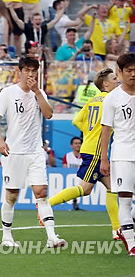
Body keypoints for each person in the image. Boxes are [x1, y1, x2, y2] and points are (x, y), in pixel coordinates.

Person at [0, 56, 65, 248]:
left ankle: (52, 237)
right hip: (13, 152)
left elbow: (49, 114)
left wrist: (37, 93)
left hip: (35, 151)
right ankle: (6, 236)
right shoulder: (8, 93)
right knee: (12, 195)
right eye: (27, 70)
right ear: (20, 71)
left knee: (41, 192)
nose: (31, 74)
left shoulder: (39, 93)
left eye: (34, 70)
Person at [48, 68, 120, 239]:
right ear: (106, 83)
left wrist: (88, 134)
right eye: (114, 78)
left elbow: (76, 120)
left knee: (112, 188)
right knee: (85, 189)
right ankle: (46, 205)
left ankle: (117, 229)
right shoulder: (112, 100)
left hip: (90, 147)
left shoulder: (93, 100)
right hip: (96, 151)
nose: (118, 81)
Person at [100, 53, 135, 256]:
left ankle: (125, 227)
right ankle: (131, 243)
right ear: (120, 72)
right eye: (129, 71)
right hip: (122, 154)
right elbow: (106, 129)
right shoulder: (113, 98)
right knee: (125, 198)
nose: (133, 74)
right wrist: (104, 158)